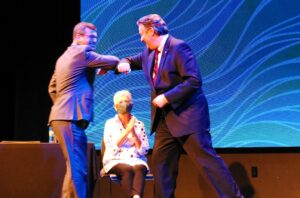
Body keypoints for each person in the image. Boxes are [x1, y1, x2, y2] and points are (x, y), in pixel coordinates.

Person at [117, 14, 243, 198]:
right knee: (162, 169)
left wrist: (167, 97)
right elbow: (130, 61)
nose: (141, 38)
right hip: (164, 122)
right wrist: (121, 63)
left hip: (188, 118)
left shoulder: (178, 48)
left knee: (208, 163)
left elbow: (193, 80)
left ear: (152, 31)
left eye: (142, 34)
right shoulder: (149, 52)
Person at [48, 21, 120, 198]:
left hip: (63, 117)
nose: (94, 41)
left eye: (96, 38)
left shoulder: (63, 57)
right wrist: (69, 107)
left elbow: (52, 87)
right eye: (91, 38)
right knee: (78, 169)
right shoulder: (82, 52)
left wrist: (63, 105)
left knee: (74, 168)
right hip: (69, 118)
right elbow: (113, 60)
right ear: (78, 36)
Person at [102, 90, 150, 198]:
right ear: (115, 106)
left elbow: (144, 150)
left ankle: (136, 196)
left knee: (140, 168)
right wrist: (127, 130)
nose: (124, 103)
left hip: (136, 159)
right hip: (115, 160)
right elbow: (112, 148)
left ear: (131, 104)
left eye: (127, 101)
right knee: (127, 169)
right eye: (121, 101)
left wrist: (134, 133)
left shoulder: (139, 124)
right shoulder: (110, 123)